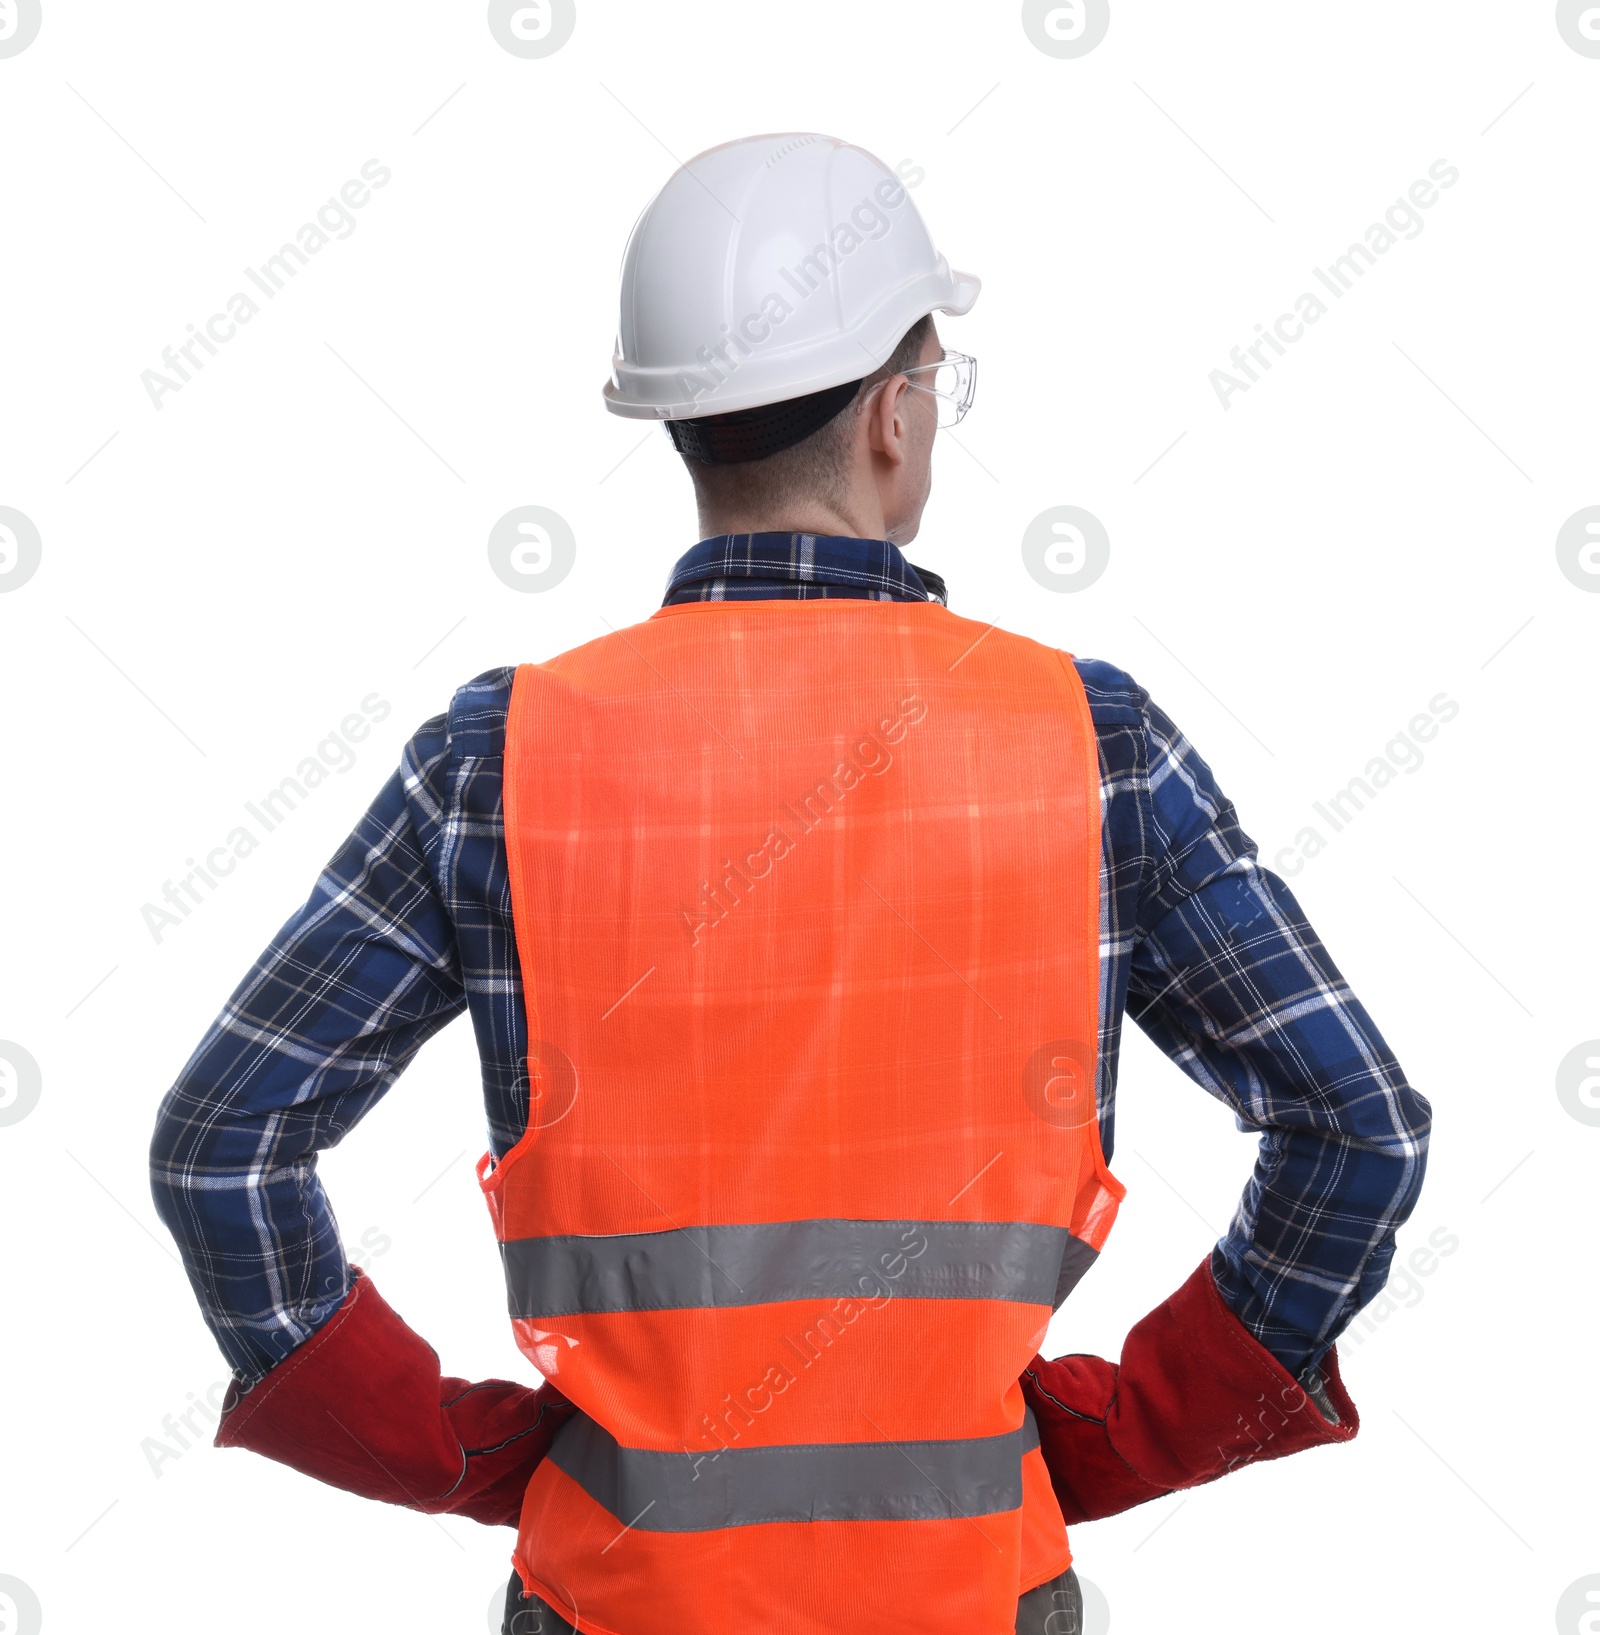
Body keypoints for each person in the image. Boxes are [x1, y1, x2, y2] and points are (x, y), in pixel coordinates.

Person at [150, 134, 1431, 1635]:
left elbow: (221, 1150)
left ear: (683, 428)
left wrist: (460, 1452)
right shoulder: (1095, 747)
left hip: (615, 1595)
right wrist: (1126, 1429)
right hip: (975, 1592)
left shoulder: (499, 756)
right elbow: (1360, 1129)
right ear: (896, 415)